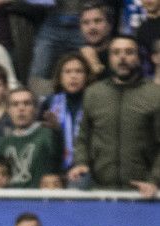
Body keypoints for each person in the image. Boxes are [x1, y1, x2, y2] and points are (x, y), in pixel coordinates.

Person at [68, 34, 160, 198]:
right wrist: (81, 162)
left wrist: (154, 180)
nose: (122, 57)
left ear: (139, 58)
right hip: (99, 190)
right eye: (116, 53)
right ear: (109, 58)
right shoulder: (94, 93)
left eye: (129, 52)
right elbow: (83, 138)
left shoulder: (155, 94)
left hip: (143, 192)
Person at [0, 87, 62, 188]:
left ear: (36, 109)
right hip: (8, 197)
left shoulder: (46, 134)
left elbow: (59, 155)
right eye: (15, 104)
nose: (21, 109)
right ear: (8, 110)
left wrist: (57, 131)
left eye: (27, 103)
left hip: (39, 196)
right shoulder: (3, 142)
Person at [41, 52, 92, 171]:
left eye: (79, 71)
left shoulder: (94, 102)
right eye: (67, 72)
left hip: (86, 166)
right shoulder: (50, 103)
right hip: (56, 164)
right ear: (60, 77)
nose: (73, 76)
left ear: (87, 76)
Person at [78, 1, 114, 80]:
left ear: (110, 25)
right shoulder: (74, 57)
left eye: (98, 21)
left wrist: (96, 67)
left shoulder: (120, 54)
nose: (92, 27)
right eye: (86, 22)